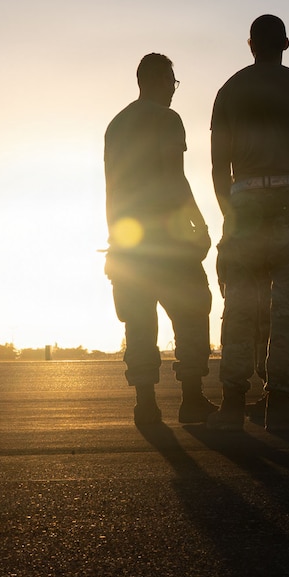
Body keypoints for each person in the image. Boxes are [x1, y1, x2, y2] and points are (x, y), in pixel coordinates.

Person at [207, 15, 289, 430]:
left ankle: (232, 399)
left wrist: (232, 217)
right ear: (286, 44)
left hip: (244, 200)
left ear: (250, 44)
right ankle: (279, 399)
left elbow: (216, 168)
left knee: (239, 303)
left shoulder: (229, 90)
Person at [104, 52, 213, 429]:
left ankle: (146, 406)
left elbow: (111, 189)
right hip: (166, 241)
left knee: (138, 322)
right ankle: (192, 399)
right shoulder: (168, 119)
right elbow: (174, 178)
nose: (173, 90)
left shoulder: (115, 126)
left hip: (128, 243)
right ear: (158, 80)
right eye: (172, 82)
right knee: (192, 311)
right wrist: (198, 224)